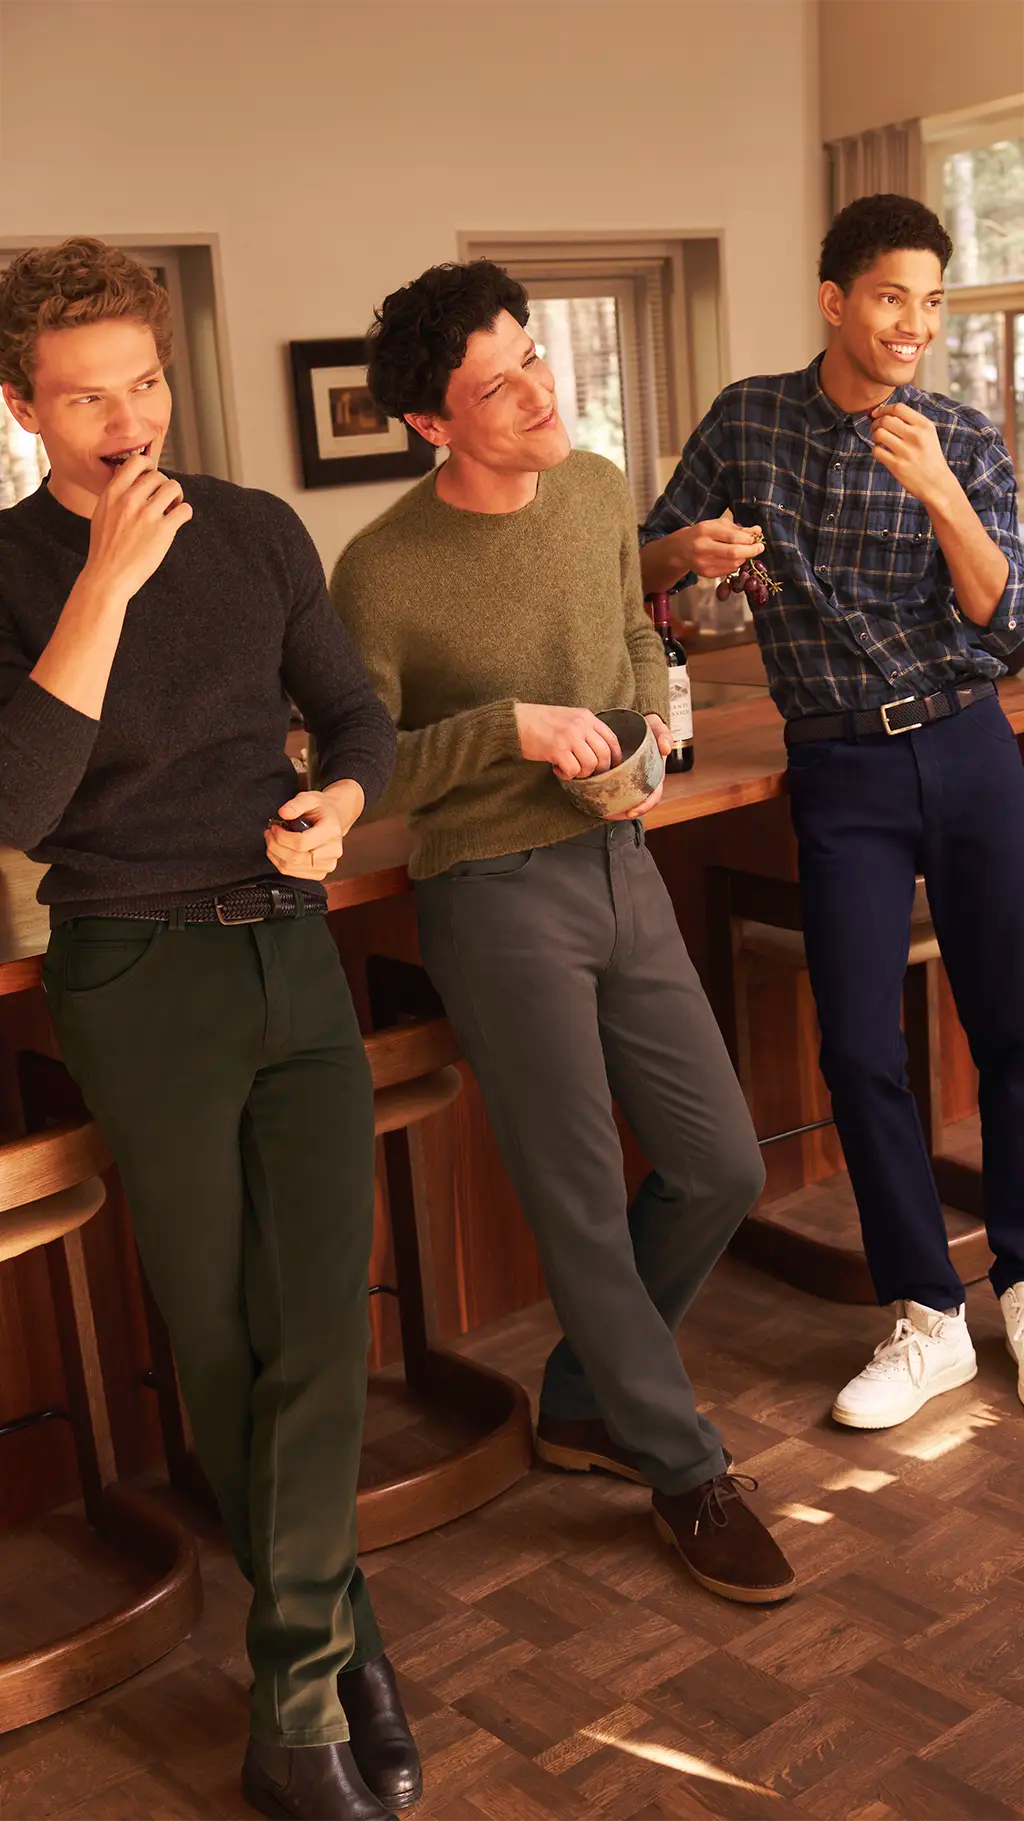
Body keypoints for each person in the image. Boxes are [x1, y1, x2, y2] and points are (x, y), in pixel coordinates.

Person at [0, 238, 420, 1821]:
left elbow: (358, 712)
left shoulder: (255, 530)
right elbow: (17, 807)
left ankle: (295, 1698)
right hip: (131, 972)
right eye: (85, 399)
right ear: (23, 408)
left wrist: (341, 800)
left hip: (289, 950)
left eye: (146, 386)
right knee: (225, 1340)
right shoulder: (10, 569)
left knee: (317, 1327)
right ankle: (339, 1658)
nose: (129, 424)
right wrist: (104, 578)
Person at [331, 259, 794, 1607]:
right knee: (579, 1198)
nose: (541, 390)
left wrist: (643, 740)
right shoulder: (380, 570)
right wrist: (508, 731)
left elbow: (634, 641)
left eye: (533, 354)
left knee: (719, 1163)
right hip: (491, 891)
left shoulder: (594, 490)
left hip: (618, 860)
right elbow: (362, 768)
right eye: (500, 384)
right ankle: (683, 1465)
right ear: (432, 423)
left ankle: (587, 1396)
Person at [641, 194, 1024, 1432]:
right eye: (890, 296)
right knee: (858, 1049)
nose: (914, 322)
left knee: (1012, 1025)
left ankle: (1023, 1283)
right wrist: (688, 554)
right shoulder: (748, 419)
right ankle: (925, 1314)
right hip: (840, 768)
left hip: (967, 743)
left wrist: (941, 494)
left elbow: (1005, 618)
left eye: (931, 300)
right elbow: (646, 559)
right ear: (834, 301)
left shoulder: (961, 436)